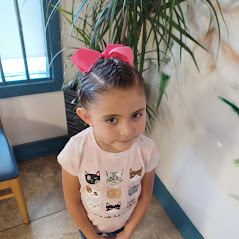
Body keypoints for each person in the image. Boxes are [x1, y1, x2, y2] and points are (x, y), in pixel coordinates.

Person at [58, 44, 159, 239]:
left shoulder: (147, 150)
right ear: (86, 117)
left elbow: (145, 196)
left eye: (136, 115)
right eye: (112, 119)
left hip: (125, 227)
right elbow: (73, 201)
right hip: (89, 230)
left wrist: (128, 232)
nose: (127, 131)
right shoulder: (75, 151)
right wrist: (92, 237)